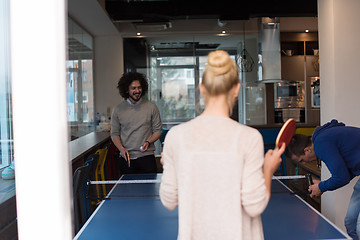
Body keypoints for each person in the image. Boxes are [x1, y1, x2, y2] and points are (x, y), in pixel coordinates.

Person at [159, 50, 285, 240]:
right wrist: (268, 169)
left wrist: (170, 163)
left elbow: (169, 201)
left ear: (202, 87)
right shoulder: (249, 137)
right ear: (236, 89)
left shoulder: (175, 137)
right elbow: (254, 205)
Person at [285, 119, 360, 240]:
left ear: (307, 150)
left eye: (302, 160)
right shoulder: (322, 138)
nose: (304, 163)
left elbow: (342, 178)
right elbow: (347, 172)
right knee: (350, 222)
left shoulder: (321, 144)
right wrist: (322, 185)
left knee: (359, 226)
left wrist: (321, 187)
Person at [111, 72, 162, 174]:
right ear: (126, 90)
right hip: (127, 158)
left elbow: (158, 131)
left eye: (139, 88)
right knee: (128, 189)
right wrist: (121, 149)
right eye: (133, 88)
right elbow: (114, 134)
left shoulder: (152, 107)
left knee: (149, 189)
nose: (137, 91)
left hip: (147, 157)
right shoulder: (117, 110)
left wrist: (148, 142)